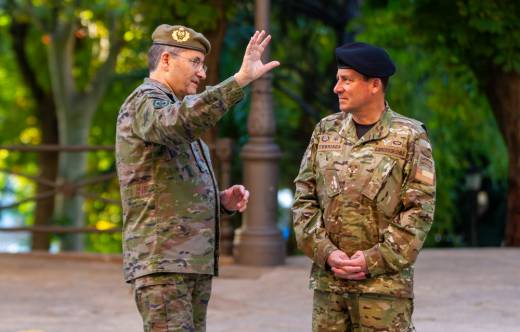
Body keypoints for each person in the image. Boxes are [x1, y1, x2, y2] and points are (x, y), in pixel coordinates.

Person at [116, 24, 279, 332]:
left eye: (203, 64)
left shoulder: (169, 108)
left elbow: (167, 189)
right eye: (195, 62)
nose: (202, 73)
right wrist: (240, 80)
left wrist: (220, 202)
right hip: (163, 262)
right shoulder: (145, 102)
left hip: (185, 261)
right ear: (165, 60)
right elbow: (178, 124)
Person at [292, 42, 436, 332]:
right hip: (329, 287)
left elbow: (419, 211)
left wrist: (372, 260)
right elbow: (303, 198)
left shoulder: (409, 137)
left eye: (346, 80)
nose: (337, 88)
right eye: (338, 79)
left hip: (384, 290)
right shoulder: (325, 130)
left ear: (374, 85)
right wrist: (325, 252)